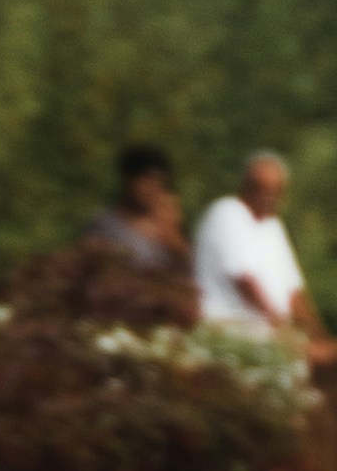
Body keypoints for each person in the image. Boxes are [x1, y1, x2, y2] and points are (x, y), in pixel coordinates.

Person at [193, 144, 313, 345]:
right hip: (228, 332)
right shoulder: (227, 212)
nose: (268, 197)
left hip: (266, 335)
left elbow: (294, 292)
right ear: (245, 186)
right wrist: (285, 330)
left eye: (275, 191)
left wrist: (317, 334)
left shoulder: (273, 225)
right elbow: (246, 282)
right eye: (261, 189)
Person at [91, 144, 196, 306]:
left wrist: (172, 237)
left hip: (168, 308)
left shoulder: (169, 224)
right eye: (145, 180)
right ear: (128, 180)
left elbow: (196, 270)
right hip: (122, 308)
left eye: (158, 181)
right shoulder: (105, 225)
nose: (151, 189)